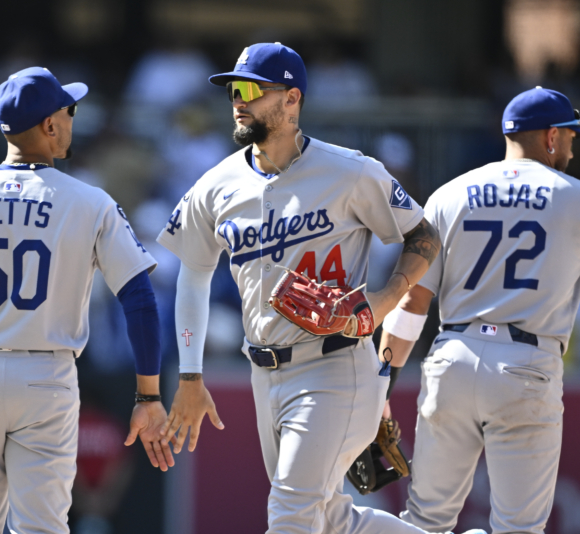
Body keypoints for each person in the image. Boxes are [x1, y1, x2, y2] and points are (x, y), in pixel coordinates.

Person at [156, 42, 484, 534]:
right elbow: (194, 275)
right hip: (264, 372)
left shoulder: (350, 171)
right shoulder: (214, 186)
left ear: (292, 100)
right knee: (329, 518)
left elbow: (424, 235)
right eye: (232, 90)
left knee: (290, 515)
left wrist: (385, 298)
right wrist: (189, 376)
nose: (238, 100)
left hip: (336, 366)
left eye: (250, 89)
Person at [0, 67, 173, 534]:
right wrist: (147, 393)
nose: (71, 119)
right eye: (68, 110)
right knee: (41, 527)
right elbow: (140, 301)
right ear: (49, 125)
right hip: (47, 378)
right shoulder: (90, 201)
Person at [380, 87, 580, 534]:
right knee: (518, 528)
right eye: (570, 137)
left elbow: (413, 302)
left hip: (452, 356)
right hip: (524, 366)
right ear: (551, 137)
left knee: (425, 522)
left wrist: (382, 385)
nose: (571, 147)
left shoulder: (449, 194)